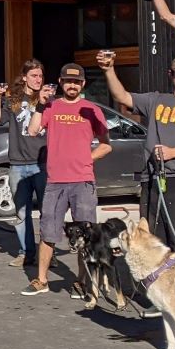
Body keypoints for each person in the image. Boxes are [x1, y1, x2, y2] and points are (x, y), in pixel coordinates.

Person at [97, 52, 175, 254]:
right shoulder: (156, 100)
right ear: (170, 75)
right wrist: (108, 70)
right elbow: (122, 96)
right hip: (151, 179)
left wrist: (174, 153)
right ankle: (158, 285)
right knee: (153, 242)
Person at [23, 63, 111, 297]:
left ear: (82, 84)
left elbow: (106, 145)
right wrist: (40, 104)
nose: (72, 85)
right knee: (48, 232)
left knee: (85, 234)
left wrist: (87, 158)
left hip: (83, 182)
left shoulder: (91, 109)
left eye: (76, 81)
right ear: (61, 83)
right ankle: (41, 281)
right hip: (55, 182)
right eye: (68, 81)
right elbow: (32, 131)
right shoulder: (51, 106)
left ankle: (82, 283)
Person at [0, 60, 49, 268]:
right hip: (18, 164)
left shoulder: (47, 99)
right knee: (22, 212)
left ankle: (48, 255)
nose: (38, 80)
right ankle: (26, 253)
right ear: (24, 77)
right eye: (34, 76)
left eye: (40, 76)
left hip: (43, 163)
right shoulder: (14, 100)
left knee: (47, 212)